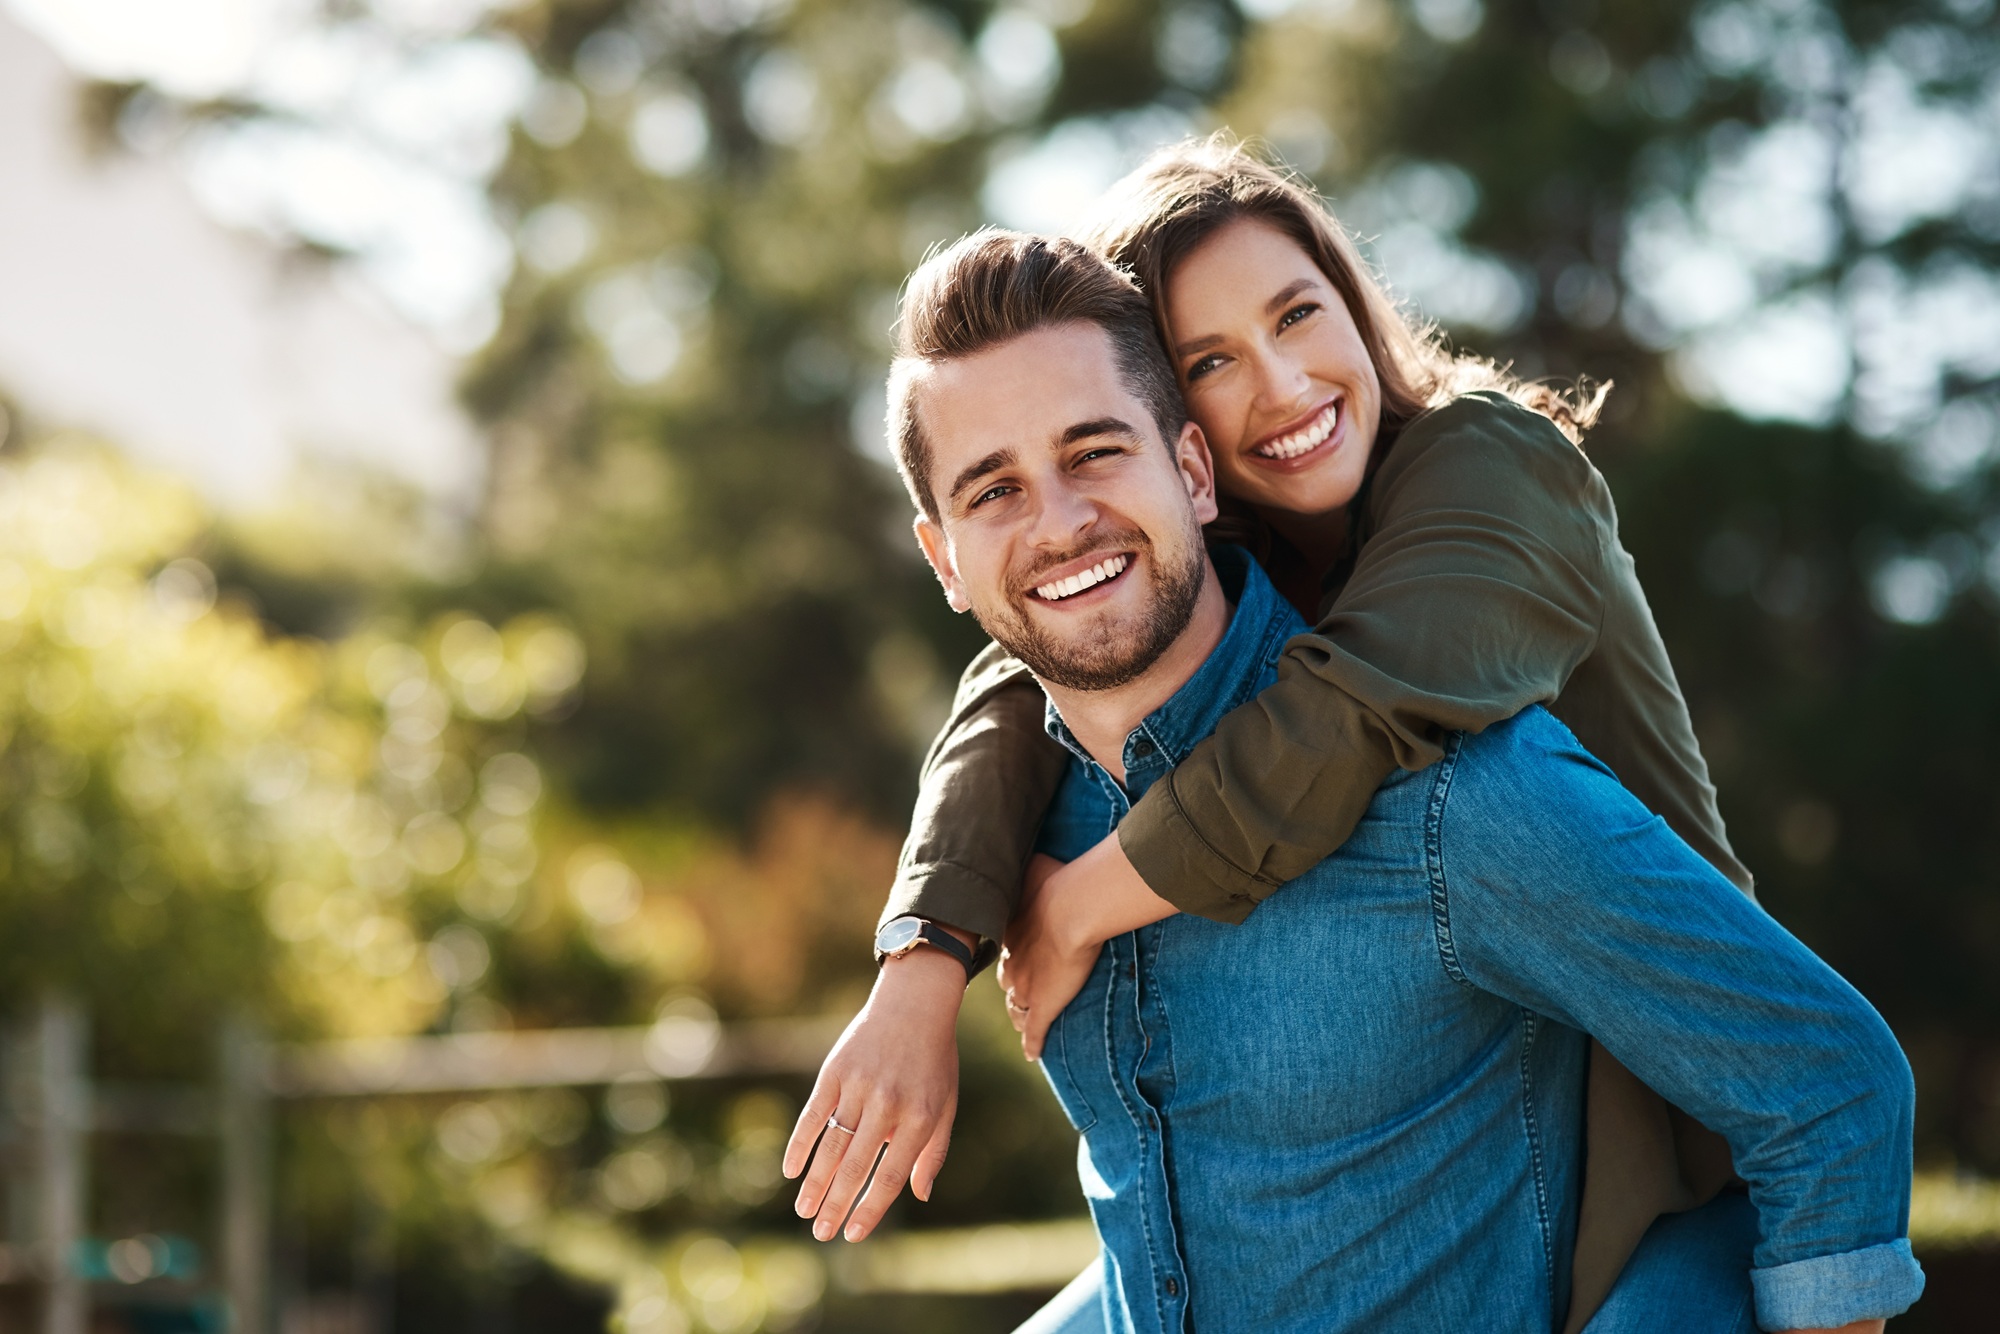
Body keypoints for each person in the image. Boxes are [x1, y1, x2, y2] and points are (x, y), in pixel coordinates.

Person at [784, 228, 1921, 1332]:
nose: (1061, 520)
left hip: (1655, 1150)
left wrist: (1073, 904)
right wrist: (919, 961)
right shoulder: (1039, 804)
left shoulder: (1451, 786)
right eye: (992, 491)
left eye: (1094, 450)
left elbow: (1833, 1089)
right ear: (941, 557)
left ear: (1189, 466)